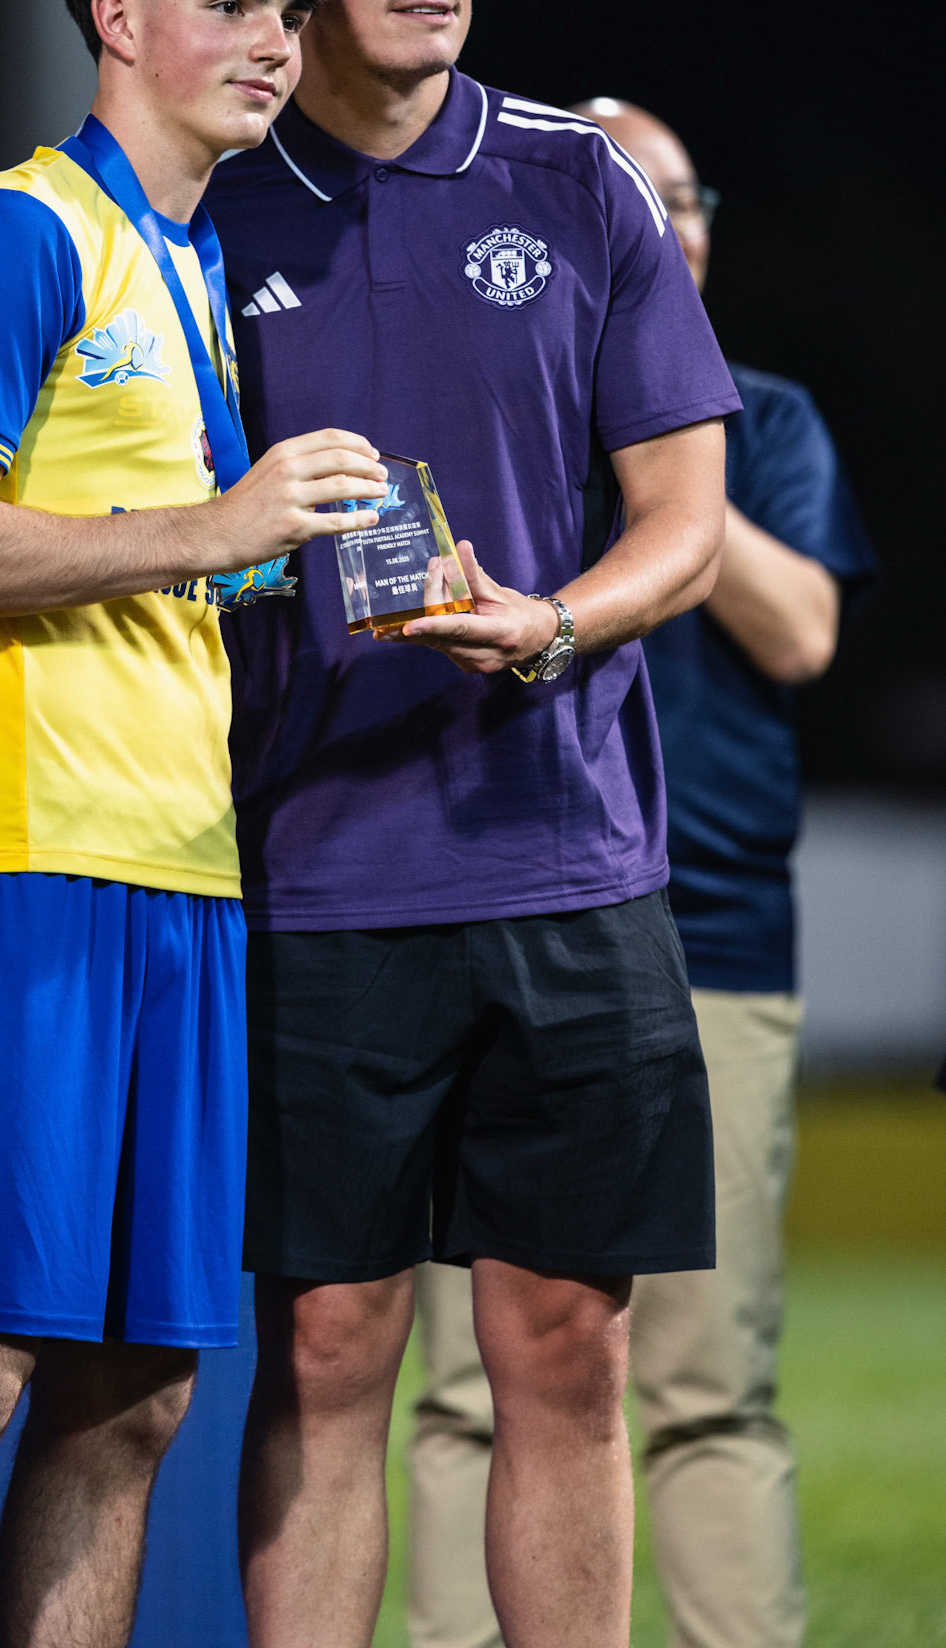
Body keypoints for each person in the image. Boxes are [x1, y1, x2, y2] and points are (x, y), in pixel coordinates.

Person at [205, 0, 741, 1648]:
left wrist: (558, 623)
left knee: (565, 1345)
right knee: (332, 1348)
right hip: (312, 864)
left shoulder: (574, 174)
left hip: (566, 857)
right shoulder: (208, 200)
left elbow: (686, 518)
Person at [0, 0, 385, 1648]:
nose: (272, 41)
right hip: (15, 873)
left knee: (137, 1396)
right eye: (230, 0)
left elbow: (166, 559)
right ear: (117, 17)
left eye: (288, 9)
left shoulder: (195, 265)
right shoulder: (15, 231)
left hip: (184, 886)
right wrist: (213, 525)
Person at [406, 99, 875, 1648]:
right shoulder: (478, 404)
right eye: (620, 197)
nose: (662, 226)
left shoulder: (769, 417)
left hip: (715, 933)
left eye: (680, 198)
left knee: (703, 1381)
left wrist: (663, 436)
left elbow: (799, 632)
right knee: (468, 1381)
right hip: (495, 899)